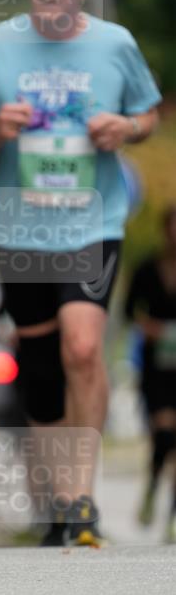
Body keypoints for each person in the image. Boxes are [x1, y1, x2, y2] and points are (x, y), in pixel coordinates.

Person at [0, 0, 161, 547]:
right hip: (22, 229)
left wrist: (123, 127)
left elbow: (149, 114)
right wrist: (0, 127)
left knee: (82, 348)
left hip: (91, 223)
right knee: (42, 366)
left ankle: (81, 497)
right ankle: (56, 501)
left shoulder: (114, 44)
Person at [125, 205, 176, 543]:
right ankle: (153, 487)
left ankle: (171, 517)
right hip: (157, 368)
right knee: (165, 434)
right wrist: (151, 328)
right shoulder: (147, 268)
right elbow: (130, 310)